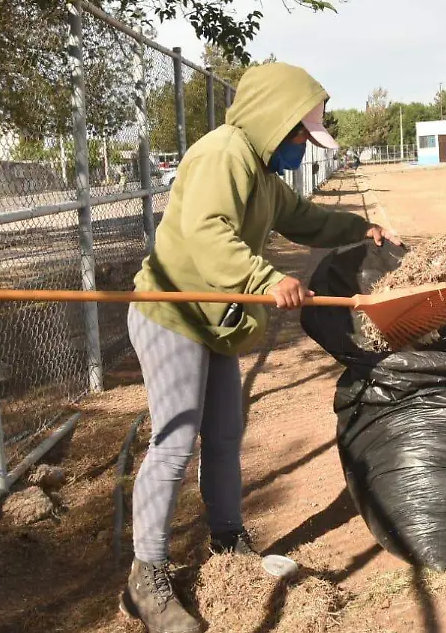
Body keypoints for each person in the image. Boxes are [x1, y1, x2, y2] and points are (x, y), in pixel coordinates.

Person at [120, 62, 399, 633]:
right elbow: (207, 232)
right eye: (299, 133)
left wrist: (358, 229)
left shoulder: (264, 175)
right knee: (175, 444)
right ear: (274, 122)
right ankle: (144, 578)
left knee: (223, 436)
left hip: (214, 320)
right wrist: (265, 281)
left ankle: (228, 544)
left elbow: (305, 221)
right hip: (172, 310)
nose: (301, 145)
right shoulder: (223, 154)